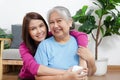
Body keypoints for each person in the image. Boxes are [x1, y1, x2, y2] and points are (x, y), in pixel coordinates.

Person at [18, 12, 94, 80]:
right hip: (28, 77)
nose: (39, 31)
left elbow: (81, 35)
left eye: (41, 26)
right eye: (33, 29)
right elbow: (36, 69)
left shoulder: (51, 35)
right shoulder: (24, 47)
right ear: (28, 32)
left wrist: (82, 58)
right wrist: (68, 73)